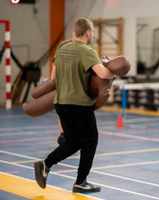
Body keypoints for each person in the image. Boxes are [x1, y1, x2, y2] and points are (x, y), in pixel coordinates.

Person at [34, 17, 114, 193]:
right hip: (79, 105)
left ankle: (46, 164)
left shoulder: (62, 48)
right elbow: (103, 74)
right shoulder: (87, 50)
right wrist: (110, 66)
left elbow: (54, 77)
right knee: (91, 140)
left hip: (61, 104)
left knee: (74, 142)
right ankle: (80, 181)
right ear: (88, 33)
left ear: (74, 32)